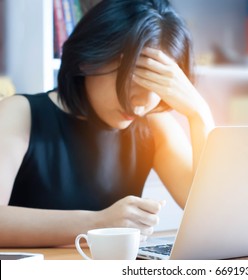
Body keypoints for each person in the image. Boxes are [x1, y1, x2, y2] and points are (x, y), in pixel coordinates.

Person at [0, 0, 214, 247]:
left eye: (157, 84)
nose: (141, 104)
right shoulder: (20, 114)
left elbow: (211, 213)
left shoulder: (154, 125)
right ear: (88, 59)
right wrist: (97, 223)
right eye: (135, 77)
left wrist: (199, 113)